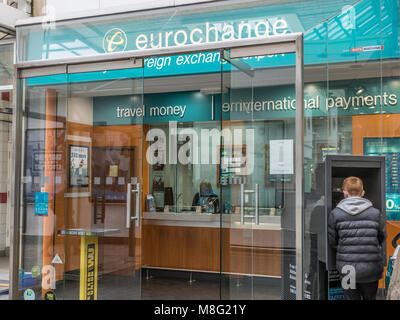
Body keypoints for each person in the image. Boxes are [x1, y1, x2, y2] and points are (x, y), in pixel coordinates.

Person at [328, 176, 386, 300]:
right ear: (363, 192)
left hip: (347, 269)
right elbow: (381, 237)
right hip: (371, 268)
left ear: (345, 193)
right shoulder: (375, 213)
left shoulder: (335, 214)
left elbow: (332, 241)